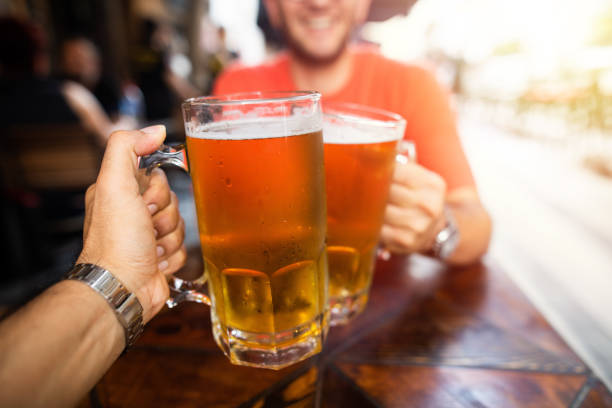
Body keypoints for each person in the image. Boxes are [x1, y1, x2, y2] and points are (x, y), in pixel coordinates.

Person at [214, 0, 491, 265]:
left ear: (362, 3)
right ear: (273, 7)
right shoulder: (236, 90)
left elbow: (477, 224)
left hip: (379, 294)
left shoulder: (415, 85)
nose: (319, 2)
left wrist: (437, 230)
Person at [0, 125, 187, 407]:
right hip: (74, 200)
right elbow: (107, 132)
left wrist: (122, 275)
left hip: (34, 208)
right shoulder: (74, 94)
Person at [0, 17, 133, 145]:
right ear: (38, 58)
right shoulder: (71, 94)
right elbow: (108, 138)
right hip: (83, 168)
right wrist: (127, 122)